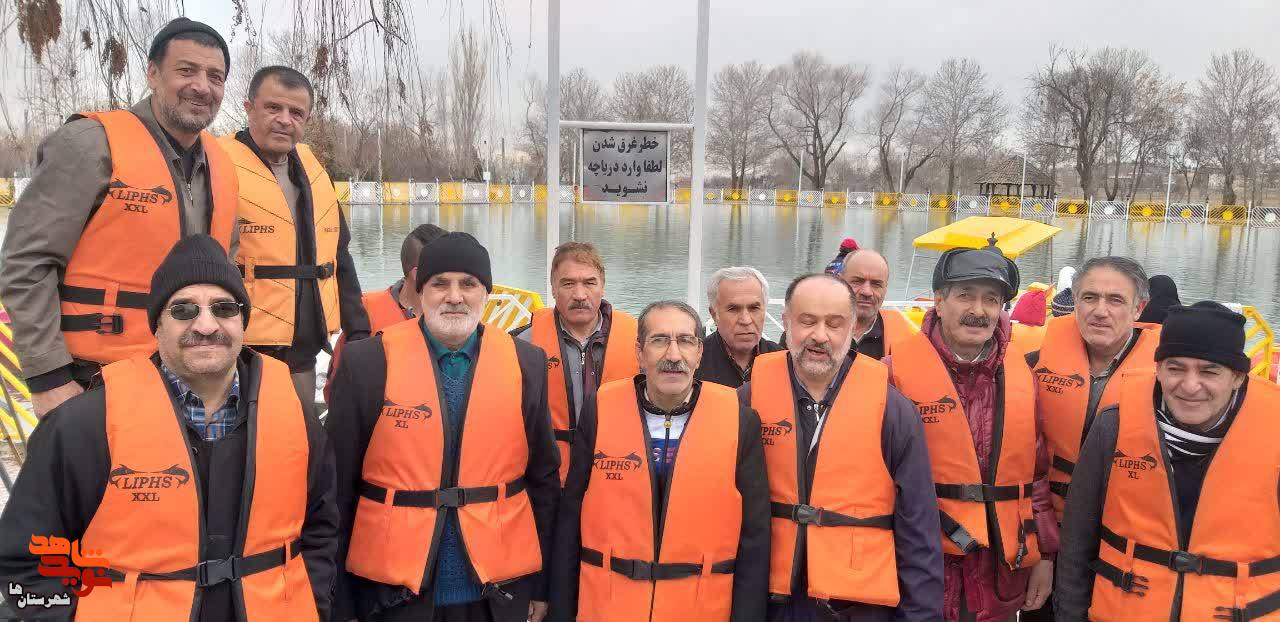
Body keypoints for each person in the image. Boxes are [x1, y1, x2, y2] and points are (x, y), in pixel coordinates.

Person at [0, 235, 338, 621]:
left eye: (224, 308)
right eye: (183, 310)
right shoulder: (84, 426)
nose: (206, 325)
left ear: (243, 322)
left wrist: (315, 606)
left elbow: (322, 531)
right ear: (157, 326)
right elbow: (22, 566)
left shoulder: (295, 415)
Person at [0, 18, 238, 416]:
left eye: (215, 76)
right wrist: (48, 378)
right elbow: (27, 262)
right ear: (153, 74)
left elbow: (226, 269)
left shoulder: (222, 165)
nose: (202, 86)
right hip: (93, 378)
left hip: (192, 377)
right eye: (186, 70)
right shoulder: (89, 144)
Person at [326, 232, 559, 622]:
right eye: (439, 284)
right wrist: (341, 602)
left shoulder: (527, 364)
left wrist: (542, 586)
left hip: (495, 594)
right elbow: (335, 488)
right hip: (391, 596)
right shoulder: (366, 363)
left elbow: (544, 482)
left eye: (468, 283)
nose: (454, 296)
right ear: (419, 291)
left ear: (486, 292)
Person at [1055, 302, 1280, 621]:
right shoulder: (1114, 427)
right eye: (1176, 368)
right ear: (1158, 369)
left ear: (1237, 378)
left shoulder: (1274, 437)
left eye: (1209, 371)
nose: (1190, 385)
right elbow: (1078, 539)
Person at [549, 300, 770, 622]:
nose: (673, 355)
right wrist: (561, 610)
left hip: (700, 609)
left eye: (685, 341)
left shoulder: (740, 420)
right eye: (659, 340)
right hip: (610, 606)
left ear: (699, 353)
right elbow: (572, 516)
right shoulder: (601, 410)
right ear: (639, 353)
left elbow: (755, 536)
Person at [741, 273, 942, 621]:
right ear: (786, 322)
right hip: (770, 603)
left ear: (852, 327)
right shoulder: (746, 403)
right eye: (807, 321)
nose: (820, 336)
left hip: (858, 607)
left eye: (834, 324)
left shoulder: (894, 412)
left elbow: (919, 529)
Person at [884, 241, 1057, 622]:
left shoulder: (1022, 376)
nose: (978, 311)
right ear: (939, 301)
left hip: (1001, 575)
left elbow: (1037, 476)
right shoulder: (890, 375)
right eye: (965, 295)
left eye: (991, 300)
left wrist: (1045, 555)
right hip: (918, 573)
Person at [219, 65, 369, 413]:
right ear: (249, 108)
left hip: (303, 351)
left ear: (306, 120)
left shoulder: (314, 171)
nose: (285, 120)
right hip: (239, 349)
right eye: (273, 108)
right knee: (242, 440)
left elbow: (339, 257)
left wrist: (358, 331)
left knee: (299, 436)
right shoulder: (217, 165)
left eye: (296, 112)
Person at [1019, 257, 1160, 622]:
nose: (1100, 310)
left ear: (1139, 308)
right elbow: (1018, 463)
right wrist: (1040, 550)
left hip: (1119, 546)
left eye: (1115, 300)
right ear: (1075, 302)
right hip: (1046, 534)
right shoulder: (1030, 366)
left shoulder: (1169, 384)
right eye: (1089, 297)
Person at [512, 241, 638, 485]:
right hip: (548, 478)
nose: (580, 295)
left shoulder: (639, 343)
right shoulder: (522, 344)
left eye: (589, 283)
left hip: (618, 472)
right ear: (553, 288)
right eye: (568, 284)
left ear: (602, 286)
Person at [324, 223, 448, 403]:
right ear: (418, 274)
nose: (456, 289)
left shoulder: (459, 318)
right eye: (447, 275)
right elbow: (336, 387)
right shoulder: (363, 313)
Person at [696, 266, 783, 388]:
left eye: (754, 308)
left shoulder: (784, 362)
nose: (746, 320)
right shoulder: (693, 363)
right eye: (733, 309)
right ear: (714, 315)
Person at [839, 249, 914, 359]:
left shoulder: (904, 336)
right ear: (840, 282)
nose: (867, 292)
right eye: (857, 281)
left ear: (886, 288)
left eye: (876, 284)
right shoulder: (815, 329)